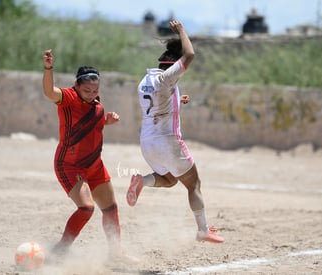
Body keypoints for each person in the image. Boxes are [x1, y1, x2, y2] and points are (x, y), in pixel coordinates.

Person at [126, 20, 224, 243]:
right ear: (171, 67)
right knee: (194, 185)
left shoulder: (145, 81)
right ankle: (203, 230)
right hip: (167, 142)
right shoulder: (166, 78)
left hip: (147, 143)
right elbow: (189, 55)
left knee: (169, 180)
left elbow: (157, 104)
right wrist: (181, 30)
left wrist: (177, 99)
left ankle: (141, 181)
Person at [42, 49, 137, 263]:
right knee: (86, 208)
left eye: (95, 90)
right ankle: (60, 250)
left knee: (111, 208)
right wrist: (48, 68)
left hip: (94, 166)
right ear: (77, 85)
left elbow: (88, 124)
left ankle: (115, 254)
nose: (92, 93)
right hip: (70, 166)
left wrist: (107, 120)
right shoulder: (68, 98)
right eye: (87, 90)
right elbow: (49, 91)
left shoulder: (97, 105)